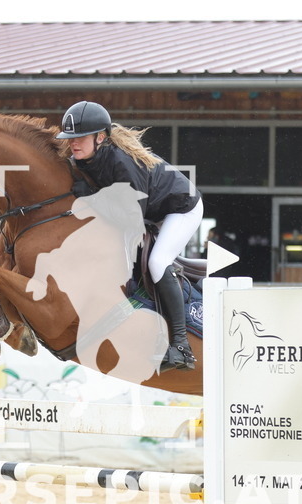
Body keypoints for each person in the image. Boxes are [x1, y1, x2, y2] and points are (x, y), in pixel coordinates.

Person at [56, 100, 202, 372]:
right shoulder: (83, 158)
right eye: (70, 138)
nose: (73, 144)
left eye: (79, 138)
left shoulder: (121, 162)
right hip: (149, 209)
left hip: (181, 208)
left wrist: (94, 197)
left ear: (100, 138)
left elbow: (131, 218)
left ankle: (181, 346)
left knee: (158, 262)